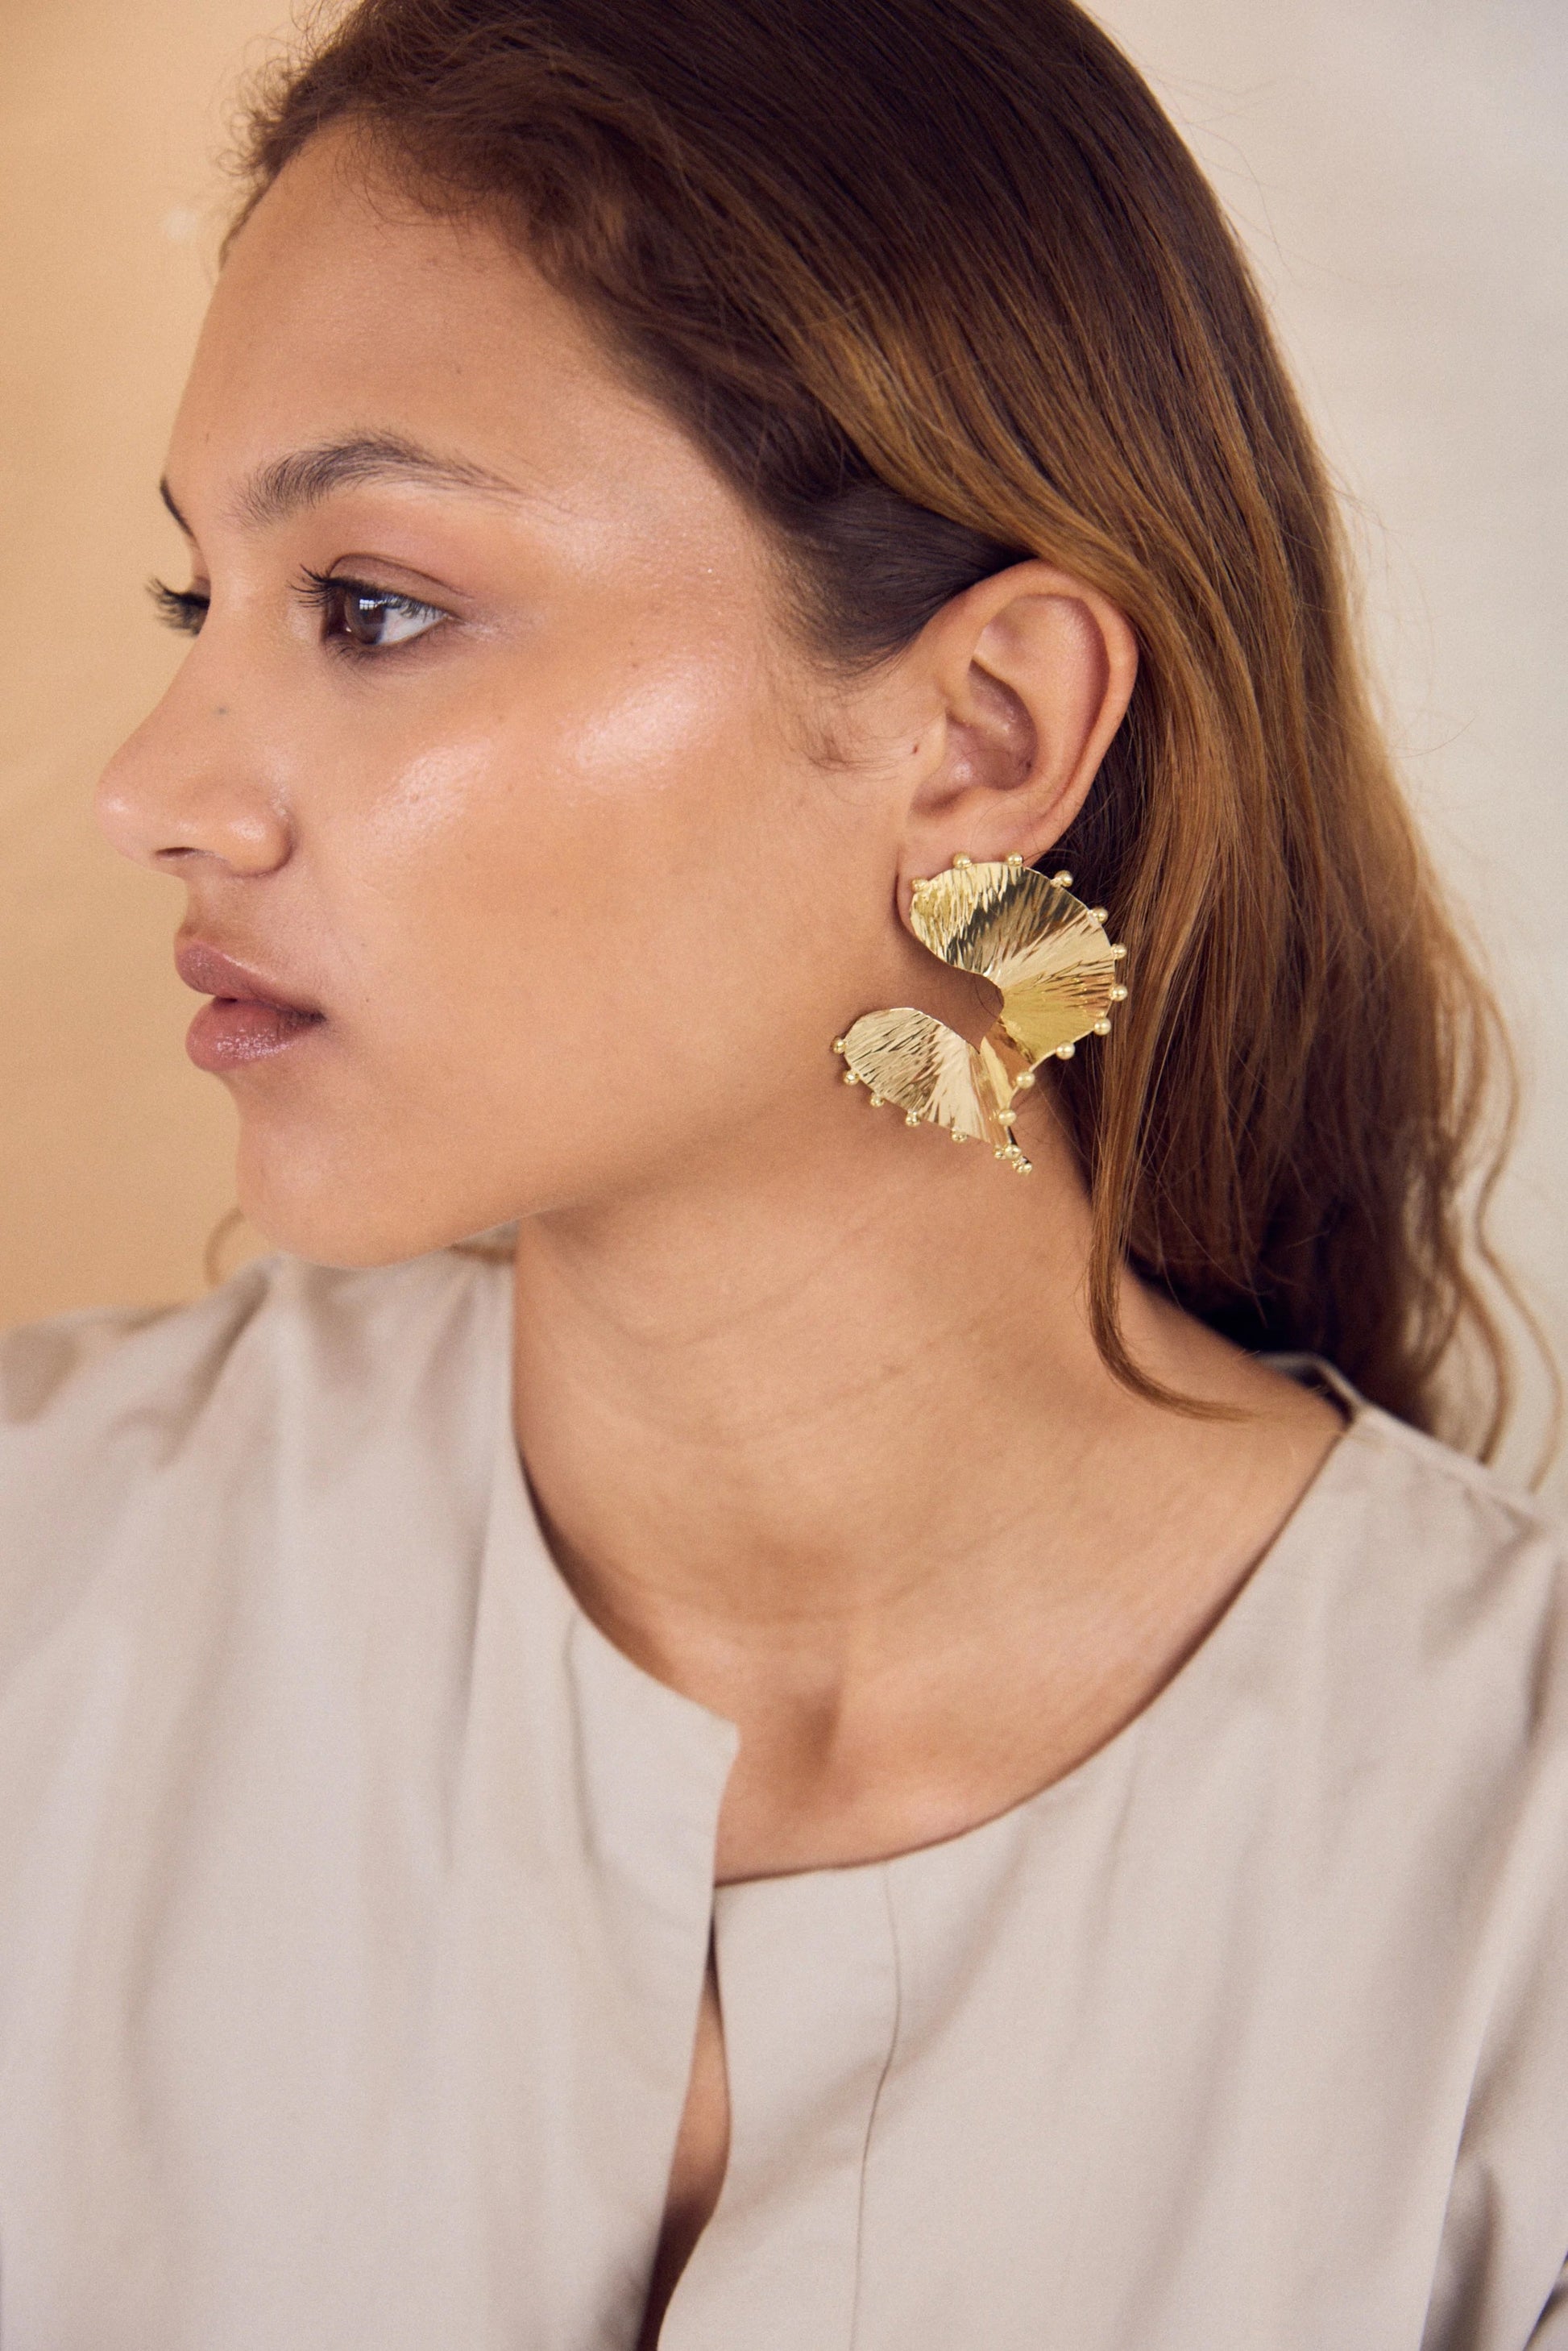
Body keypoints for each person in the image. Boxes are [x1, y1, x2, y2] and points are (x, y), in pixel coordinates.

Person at [2, 0, 1564, 2343]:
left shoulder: (1516, 1894)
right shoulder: (46, 1587)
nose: (156, 788)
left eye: (373, 605)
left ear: (985, 733)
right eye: (193, 601)